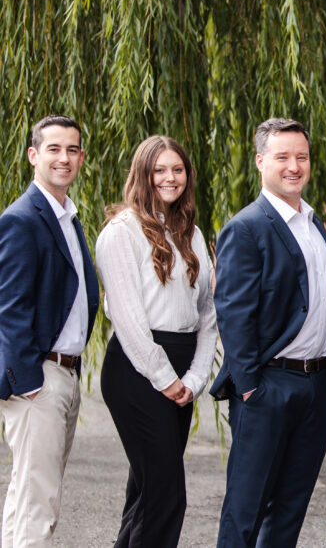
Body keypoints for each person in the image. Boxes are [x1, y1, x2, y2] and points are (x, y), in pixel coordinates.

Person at [210, 118, 326, 547]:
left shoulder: (311, 223)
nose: (294, 166)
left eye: (301, 157)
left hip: (316, 385)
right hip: (268, 387)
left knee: (290, 509)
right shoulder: (247, 227)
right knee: (245, 510)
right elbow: (233, 313)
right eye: (283, 157)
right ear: (260, 161)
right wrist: (251, 387)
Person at [94, 135, 217, 547]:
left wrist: (195, 379)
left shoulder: (191, 234)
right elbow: (128, 320)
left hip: (182, 370)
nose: (169, 177)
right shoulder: (121, 232)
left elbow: (207, 314)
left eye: (177, 169)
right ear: (142, 174)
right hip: (137, 370)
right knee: (166, 495)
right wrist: (166, 378)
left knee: (146, 493)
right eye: (159, 170)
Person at [0, 115, 99, 547]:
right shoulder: (23, 219)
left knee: (27, 498)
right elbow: (9, 307)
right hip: (39, 380)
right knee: (38, 505)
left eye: (72, 149)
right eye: (54, 149)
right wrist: (29, 383)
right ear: (33, 155)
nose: (64, 158)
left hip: (63, 374)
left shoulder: (66, 216)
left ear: (81, 157)